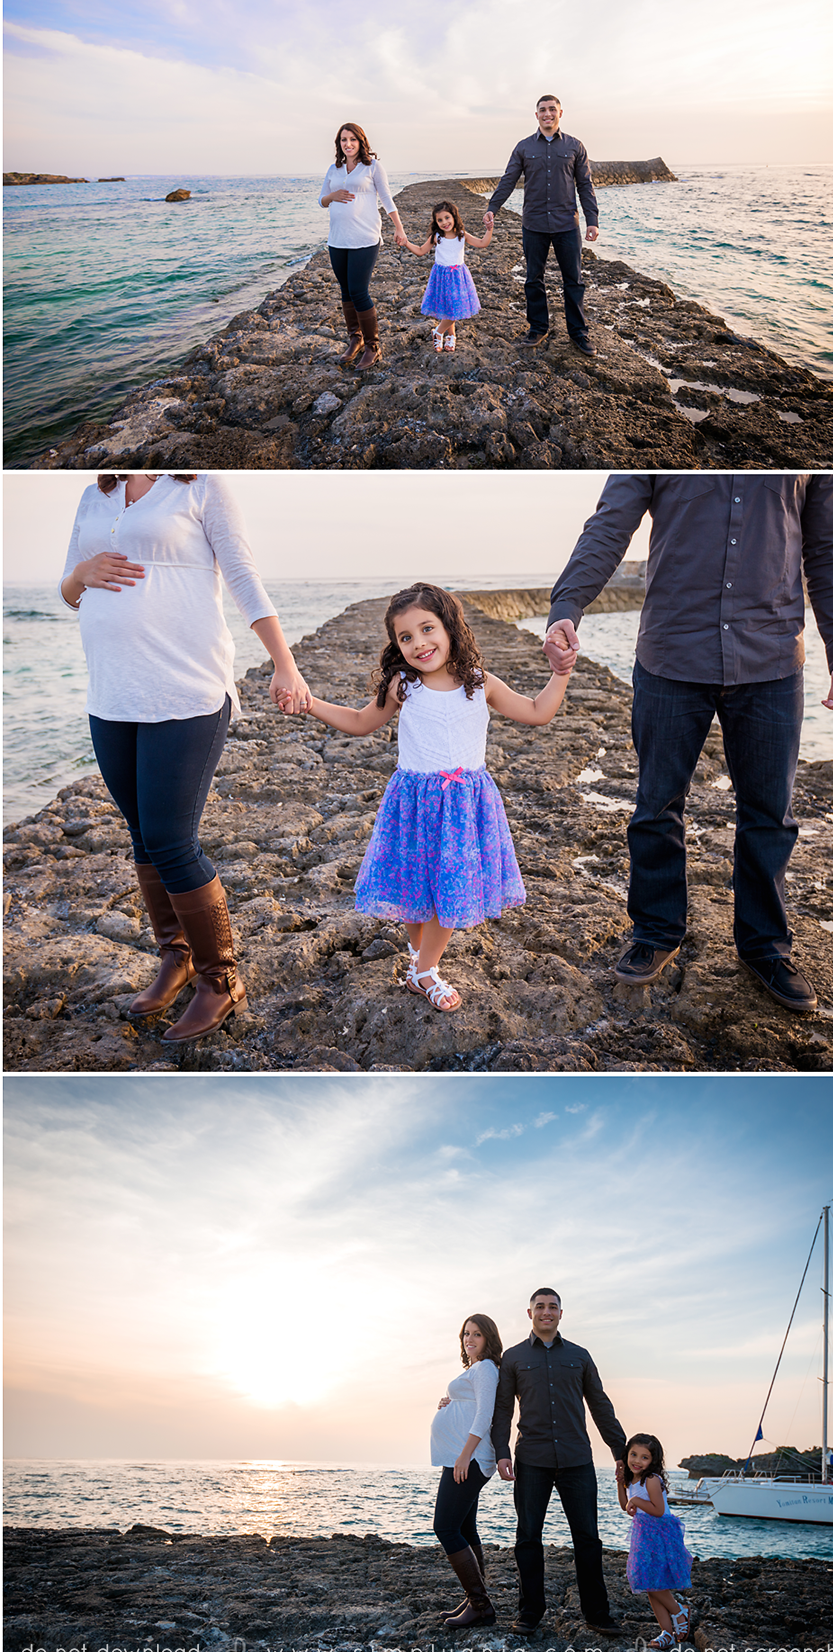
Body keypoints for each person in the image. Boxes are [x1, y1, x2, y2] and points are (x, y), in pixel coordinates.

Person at [544, 471, 833, 1016]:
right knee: (656, 805)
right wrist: (566, 609)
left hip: (770, 658)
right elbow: (609, 525)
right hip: (672, 653)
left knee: (770, 814)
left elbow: (831, 548)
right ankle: (655, 931)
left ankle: (766, 947)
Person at [58, 470, 308, 1044]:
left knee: (172, 839)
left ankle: (221, 980)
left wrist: (283, 662)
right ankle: (177, 959)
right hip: (112, 694)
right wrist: (80, 575)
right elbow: (70, 592)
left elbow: (243, 574)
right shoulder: (94, 494)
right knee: (142, 834)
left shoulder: (199, 486)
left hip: (186, 689)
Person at [294, 582, 573, 1014]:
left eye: (428, 629)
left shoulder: (481, 684)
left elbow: (538, 712)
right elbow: (359, 722)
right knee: (414, 887)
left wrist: (561, 673)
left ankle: (426, 971)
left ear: (450, 627)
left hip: (464, 806)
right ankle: (417, 961)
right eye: (405, 637)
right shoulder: (402, 685)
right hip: (413, 801)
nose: (419, 643)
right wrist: (310, 703)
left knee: (450, 889)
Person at [492, 1285, 627, 1636]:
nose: (546, 1312)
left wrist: (620, 1452)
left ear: (561, 1314)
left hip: (577, 1459)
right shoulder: (514, 1357)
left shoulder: (580, 1356)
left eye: (553, 1307)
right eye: (540, 1307)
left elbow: (600, 1405)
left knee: (588, 1539)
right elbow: (503, 1409)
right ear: (530, 1313)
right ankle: (529, 1613)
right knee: (527, 1537)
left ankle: (597, 1614)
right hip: (531, 1459)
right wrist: (501, 1451)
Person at [484, 96, 598, 353]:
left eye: (552, 110)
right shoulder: (524, 147)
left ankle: (578, 333)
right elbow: (508, 180)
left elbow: (585, 185)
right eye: (542, 110)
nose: (547, 114)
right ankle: (538, 327)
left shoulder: (575, 146)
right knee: (533, 278)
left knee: (574, 280)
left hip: (567, 224)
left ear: (560, 113)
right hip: (533, 223)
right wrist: (493, 208)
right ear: (536, 115)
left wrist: (592, 221)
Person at [432, 1311, 503, 1628]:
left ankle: (481, 1605)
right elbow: (472, 1407)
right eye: (465, 1334)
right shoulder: (475, 1370)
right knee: (464, 1528)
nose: (469, 1339)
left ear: (488, 1338)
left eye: (476, 1333)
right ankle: (475, 1600)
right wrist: (450, 1405)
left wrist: (464, 1456)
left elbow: (484, 1415)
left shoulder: (486, 1368)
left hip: (469, 1459)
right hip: (462, 1457)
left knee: (445, 1527)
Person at [318, 121, 407, 370]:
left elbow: (387, 198)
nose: (348, 144)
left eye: (352, 140)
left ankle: (372, 346)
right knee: (345, 290)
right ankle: (355, 339)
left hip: (365, 238)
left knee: (359, 291)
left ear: (361, 142)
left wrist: (398, 228)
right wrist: (332, 197)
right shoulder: (333, 169)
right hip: (337, 239)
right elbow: (321, 200)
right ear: (339, 144)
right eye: (343, 140)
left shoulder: (373, 167)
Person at [615, 1436, 694, 1652]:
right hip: (643, 1534)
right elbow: (626, 1506)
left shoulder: (651, 1479)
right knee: (649, 1583)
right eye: (633, 1455)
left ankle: (679, 1612)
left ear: (653, 1460)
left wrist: (637, 1501)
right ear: (626, 1455)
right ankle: (667, 1632)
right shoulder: (632, 1480)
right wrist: (620, 1483)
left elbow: (658, 1510)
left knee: (654, 1582)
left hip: (660, 1534)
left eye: (644, 1457)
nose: (637, 1460)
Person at [404, 199, 490, 354]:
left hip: (458, 276)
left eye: (447, 218)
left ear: (454, 217)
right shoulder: (437, 236)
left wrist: (489, 229)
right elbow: (420, 250)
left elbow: (483, 243)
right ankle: (449, 335)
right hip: (441, 276)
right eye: (440, 220)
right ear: (436, 222)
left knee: (454, 308)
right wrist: (406, 243)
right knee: (449, 308)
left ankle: (439, 331)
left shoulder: (462, 235)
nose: (444, 222)